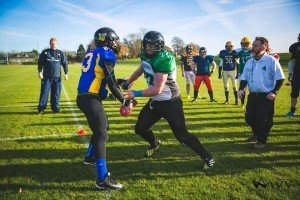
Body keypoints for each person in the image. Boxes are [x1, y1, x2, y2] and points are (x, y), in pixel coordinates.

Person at [122, 31, 215, 173]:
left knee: (182, 136)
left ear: (159, 46)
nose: (148, 48)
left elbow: (157, 89)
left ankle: (208, 157)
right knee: (140, 128)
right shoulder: (145, 56)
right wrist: (128, 82)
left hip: (170, 101)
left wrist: (135, 93)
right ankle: (154, 143)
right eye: (146, 45)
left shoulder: (165, 58)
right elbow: (140, 70)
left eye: (151, 46)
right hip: (156, 101)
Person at [76, 27, 131, 190]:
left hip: (85, 96)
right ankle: (102, 179)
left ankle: (89, 156)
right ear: (106, 40)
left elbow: (103, 79)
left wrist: (118, 82)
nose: (116, 43)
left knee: (103, 127)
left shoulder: (93, 52)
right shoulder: (107, 53)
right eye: (114, 40)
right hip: (90, 97)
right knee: (102, 133)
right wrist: (123, 100)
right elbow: (111, 83)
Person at [238, 37, 285, 148]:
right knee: (249, 118)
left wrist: (274, 92)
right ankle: (257, 133)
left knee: (263, 119)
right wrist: (241, 89)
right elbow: (244, 78)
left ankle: (261, 141)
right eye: (252, 45)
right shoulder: (250, 61)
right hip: (253, 95)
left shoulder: (271, 60)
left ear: (263, 47)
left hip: (266, 96)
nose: (252, 47)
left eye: (255, 45)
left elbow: (280, 78)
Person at [37, 38, 68, 114]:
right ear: (50, 44)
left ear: (57, 44)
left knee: (56, 93)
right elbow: (40, 63)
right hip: (46, 77)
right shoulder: (45, 52)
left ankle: (55, 108)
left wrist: (66, 73)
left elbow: (65, 64)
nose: (53, 45)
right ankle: (41, 108)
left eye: (54, 44)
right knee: (44, 93)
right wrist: (40, 72)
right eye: (52, 44)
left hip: (57, 78)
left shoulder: (60, 53)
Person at [234, 37, 252, 107]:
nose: (244, 45)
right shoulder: (240, 52)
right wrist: (236, 63)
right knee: (242, 89)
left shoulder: (252, 52)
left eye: (246, 44)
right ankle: (242, 104)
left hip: (251, 72)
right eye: (243, 44)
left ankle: (251, 104)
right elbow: (233, 55)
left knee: (252, 89)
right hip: (242, 72)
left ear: (249, 44)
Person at [286, 33, 300, 116]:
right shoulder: (295, 46)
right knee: (294, 93)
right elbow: (292, 61)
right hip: (297, 73)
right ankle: (292, 110)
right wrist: (290, 73)